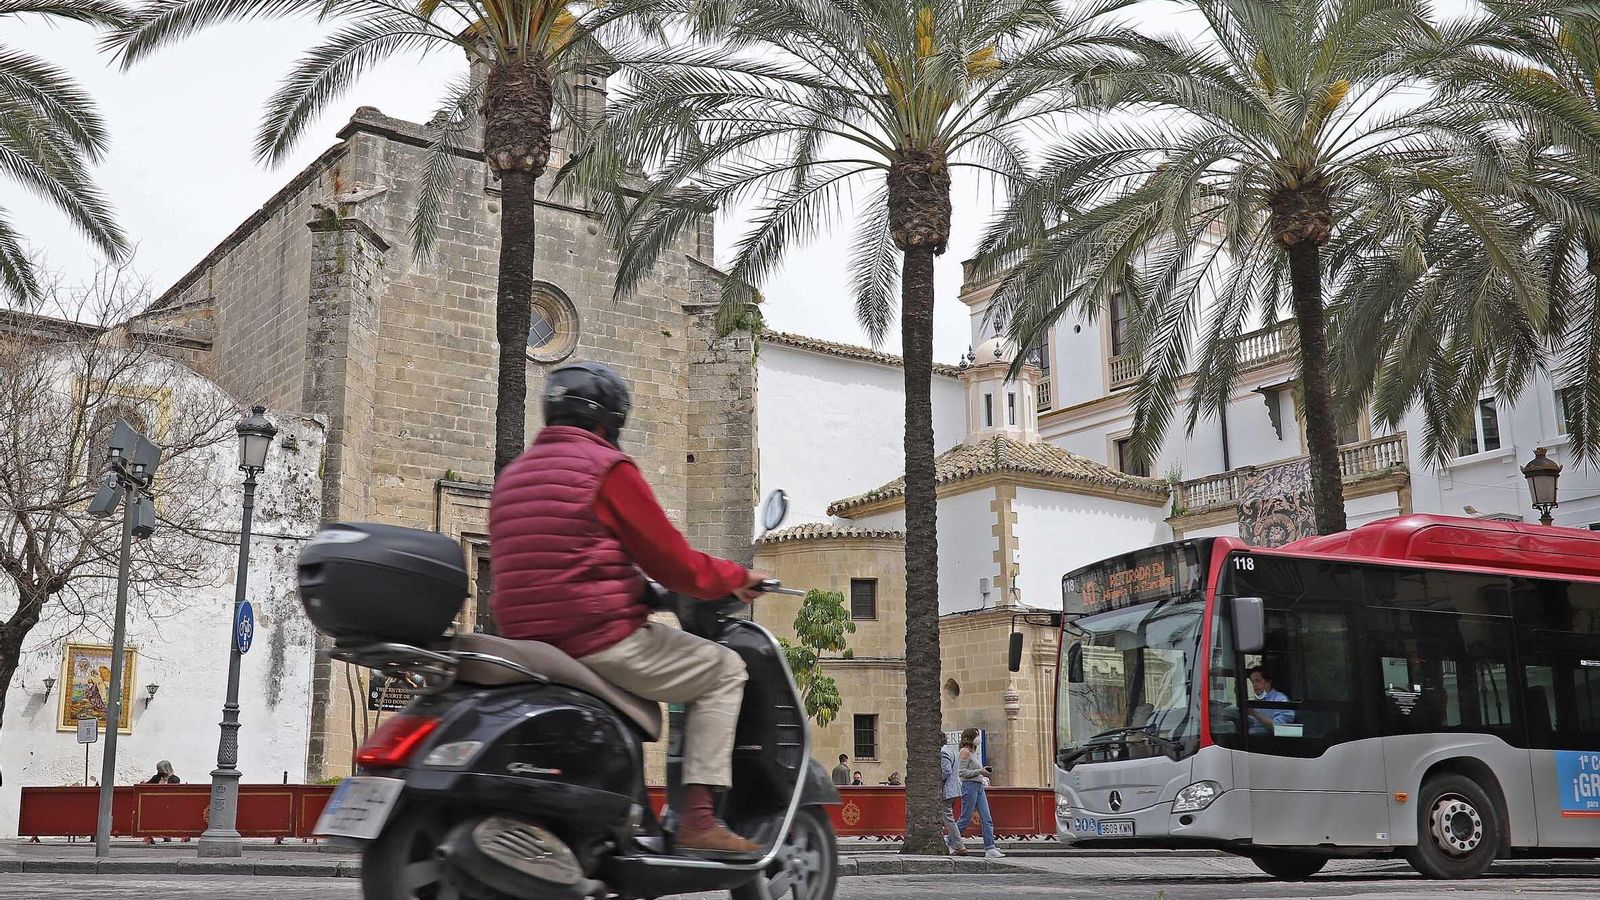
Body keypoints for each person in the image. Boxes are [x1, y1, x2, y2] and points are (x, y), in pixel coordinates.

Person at [490, 362, 770, 856]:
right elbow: (677, 564)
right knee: (724, 668)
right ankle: (699, 821)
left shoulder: (513, 474)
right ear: (610, 422)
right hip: (594, 637)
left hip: (524, 643)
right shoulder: (606, 468)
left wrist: (636, 590)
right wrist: (736, 578)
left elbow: (561, 555)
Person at [955, 728, 1003, 858]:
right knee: (965, 819)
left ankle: (990, 848)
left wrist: (982, 774)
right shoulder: (964, 752)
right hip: (969, 787)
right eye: (976, 735)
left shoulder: (974, 752)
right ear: (970, 737)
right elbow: (962, 773)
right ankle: (950, 840)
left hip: (979, 787)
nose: (978, 737)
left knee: (987, 818)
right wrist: (979, 771)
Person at [1247, 667, 1295, 735]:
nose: (1254, 685)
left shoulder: (1280, 700)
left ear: (1268, 682)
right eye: (1253, 682)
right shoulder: (1256, 701)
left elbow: (1279, 728)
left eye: (1258, 681)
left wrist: (1255, 713)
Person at [939, 743, 966, 855]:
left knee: (948, 818)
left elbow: (946, 771)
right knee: (947, 817)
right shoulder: (949, 750)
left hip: (947, 790)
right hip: (952, 789)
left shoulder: (943, 752)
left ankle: (960, 845)